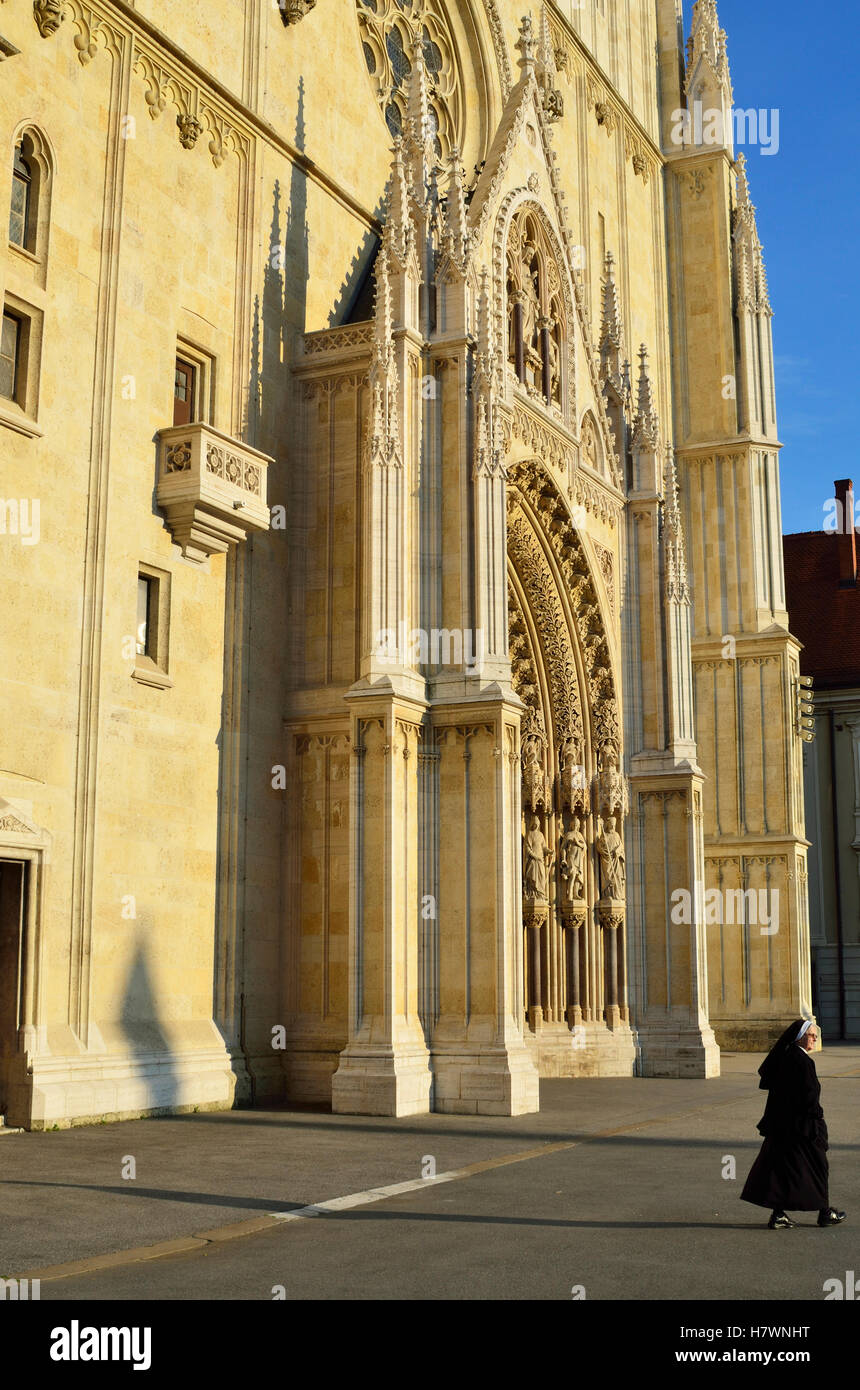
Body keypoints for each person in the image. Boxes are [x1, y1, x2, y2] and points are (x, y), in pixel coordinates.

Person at [740, 1019, 847, 1229]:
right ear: (800, 1036)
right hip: (803, 1128)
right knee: (817, 1167)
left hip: (786, 1127)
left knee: (783, 1170)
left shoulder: (787, 1056)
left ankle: (779, 1214)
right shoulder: (801, 1061)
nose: (815, 1039)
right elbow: (808, 1096)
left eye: (816, 1036)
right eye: (811, 1035)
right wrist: (818, 1117)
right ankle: (824, 1213)